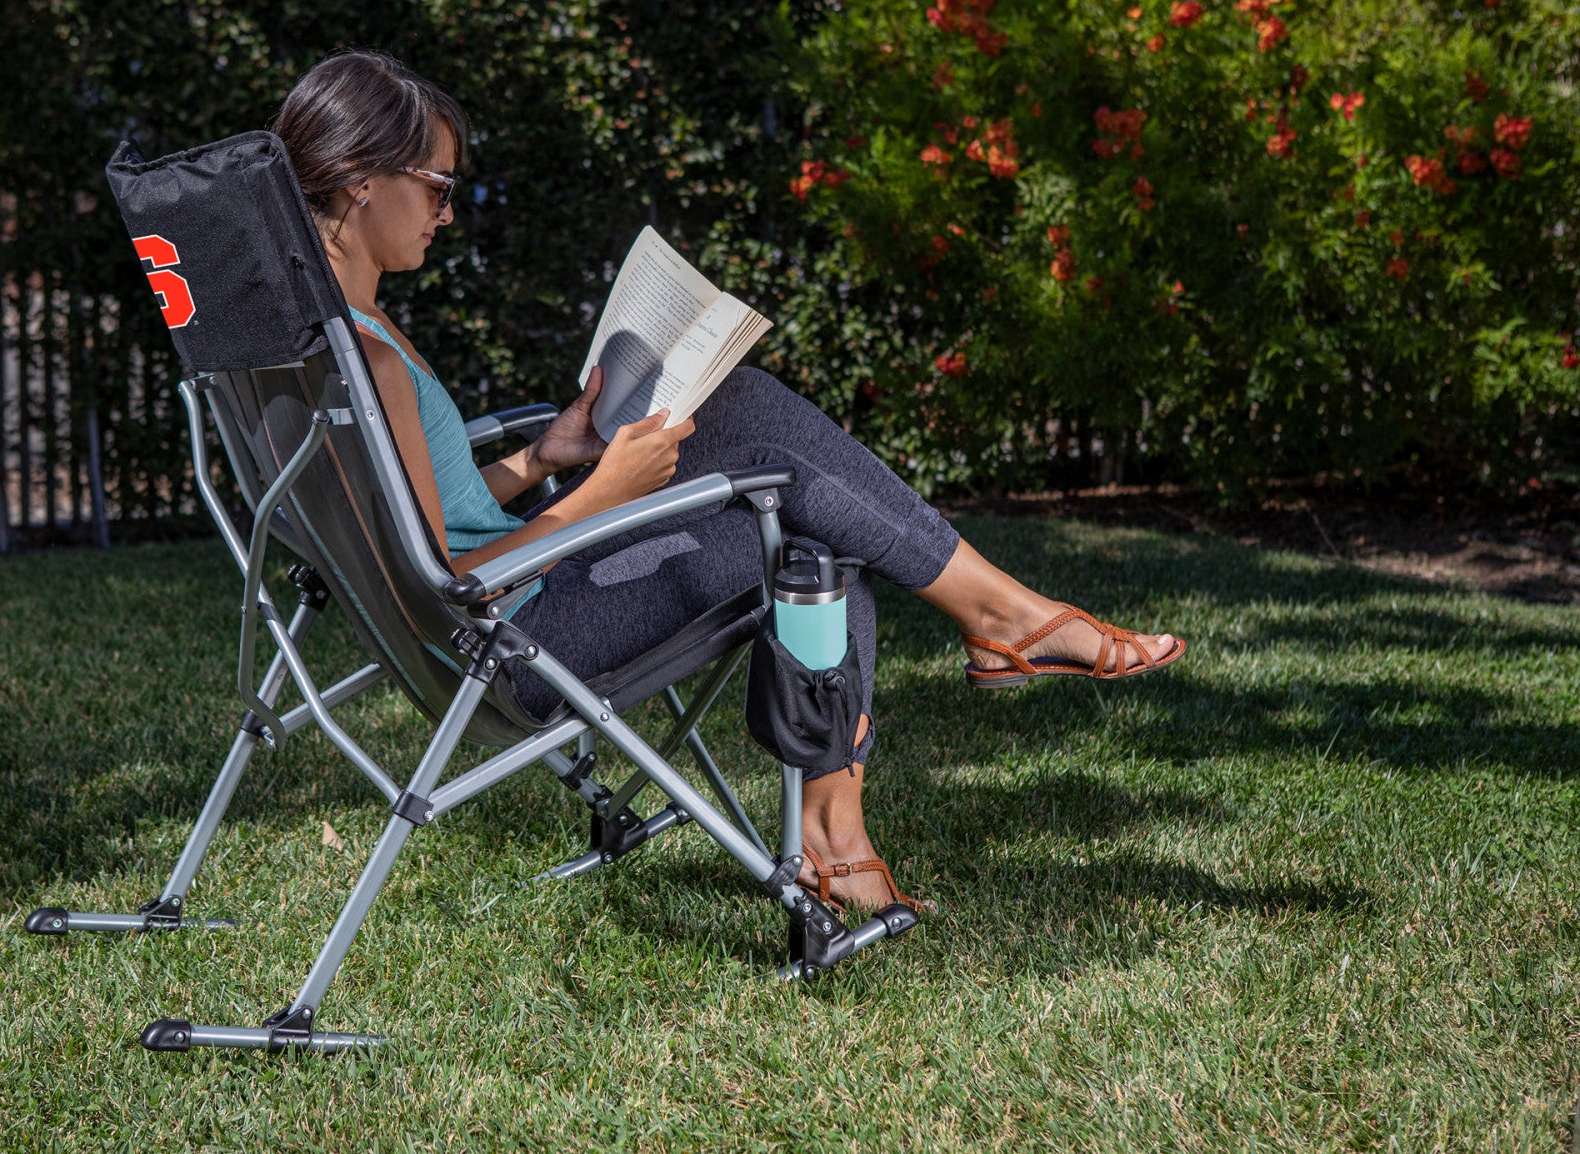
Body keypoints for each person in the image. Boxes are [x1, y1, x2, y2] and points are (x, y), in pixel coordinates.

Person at [272, 51, 1184, 915]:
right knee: (806, 520)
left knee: (780, 466)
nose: (448, 210)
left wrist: (550, 459)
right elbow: (442, 584)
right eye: (436, 186)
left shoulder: (328, 342)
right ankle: (950, 689)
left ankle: (920, 729)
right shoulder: (367, 361)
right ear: (360, 179)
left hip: (503, 618)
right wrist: (606, 492)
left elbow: (426, 517)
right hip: (519, 644)